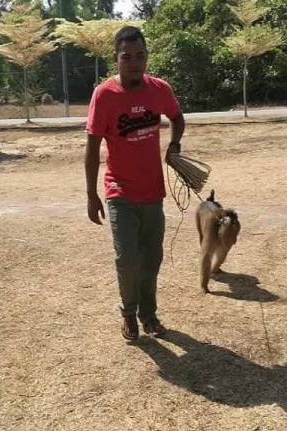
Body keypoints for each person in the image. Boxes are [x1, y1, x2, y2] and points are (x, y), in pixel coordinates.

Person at [85, 26, 185, 340]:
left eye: (140, 55)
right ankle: (128, 312)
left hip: (153, 192)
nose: (134, 62)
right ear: (116, 59)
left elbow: (177, 117)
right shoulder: (104, 95)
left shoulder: (160, 90)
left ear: (147, 57)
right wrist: (91, 194)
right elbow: (91, 148)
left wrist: (174, 145)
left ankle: (149, 313)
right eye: (126, 57)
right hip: (119, 191)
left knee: (151, 258)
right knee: (127, 257)